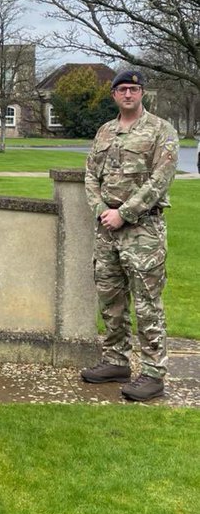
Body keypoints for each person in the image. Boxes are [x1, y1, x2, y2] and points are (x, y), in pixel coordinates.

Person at [81, 70, 179, 401]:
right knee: (111, 299)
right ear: (113, 95)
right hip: (106, 229)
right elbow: (90, 176)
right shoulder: (105, 132)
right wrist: (100, 210)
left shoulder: (161, 131)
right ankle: (115, 361)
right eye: (122, 89)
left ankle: (153, 373)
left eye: (134, 89)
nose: (128, 94)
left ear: (142, 94)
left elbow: (160, 180)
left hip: (143, 230)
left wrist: (124, 213)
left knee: (148, 302)